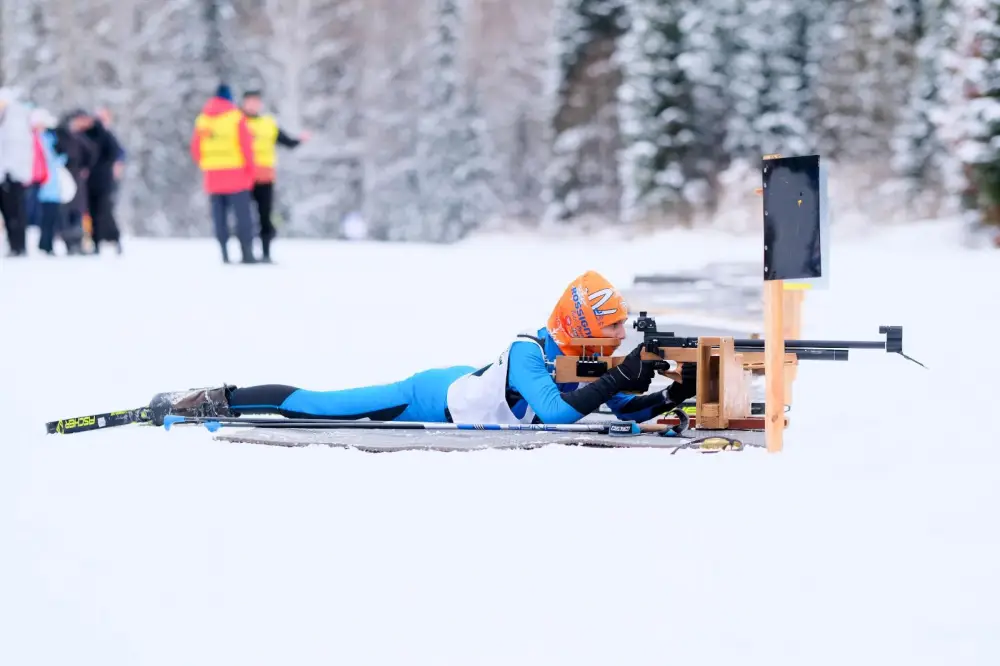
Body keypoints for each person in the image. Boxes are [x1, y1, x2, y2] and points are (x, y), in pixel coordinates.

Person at [145, 270, 698, 426]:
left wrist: (675, 394)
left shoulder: (581, 358)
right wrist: (622, 376)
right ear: (580, 326)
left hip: (467, 382)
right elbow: (555, 414)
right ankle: (216, 396)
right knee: (319, 403)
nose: (612, 346)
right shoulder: (529, 350)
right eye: (607, 335)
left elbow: (621, 408)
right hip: (431, 395)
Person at [240, 90, 310, 263]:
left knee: (265, 216)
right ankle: (246, 253)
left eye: (256, 101)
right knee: (244, 217)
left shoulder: (267, 124)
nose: (253, 105)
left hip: (264, 177)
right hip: (242, 177)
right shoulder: (236, 122)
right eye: (250, 101)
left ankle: (266, 253)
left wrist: (299, 140)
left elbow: (286, 141)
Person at [191, 83, 257, 264]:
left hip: (212, 176)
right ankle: (247, 253)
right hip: (236, 175)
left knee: (219, 218)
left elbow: (196, 149)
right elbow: (246, 147)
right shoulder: (236, 117)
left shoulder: (203, 120)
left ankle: (224, 254)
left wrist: (208, 164)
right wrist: (251, 170)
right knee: (243, 216)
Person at [31, 108, 70, 255]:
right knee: (46, 216)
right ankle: (45, 244)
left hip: (51, 183)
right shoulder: (41, 139)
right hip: (43, 182)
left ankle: (47, 244)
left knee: (51, 216)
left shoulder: (50, 138)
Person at [0, 87, 34, 257]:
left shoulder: (16, 126)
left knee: (16, 212)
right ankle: (12, 244)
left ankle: (19, 246)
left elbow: (25, 153)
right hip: (2, 175)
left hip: (15, 175)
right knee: (7, 213)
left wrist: (22, 172)